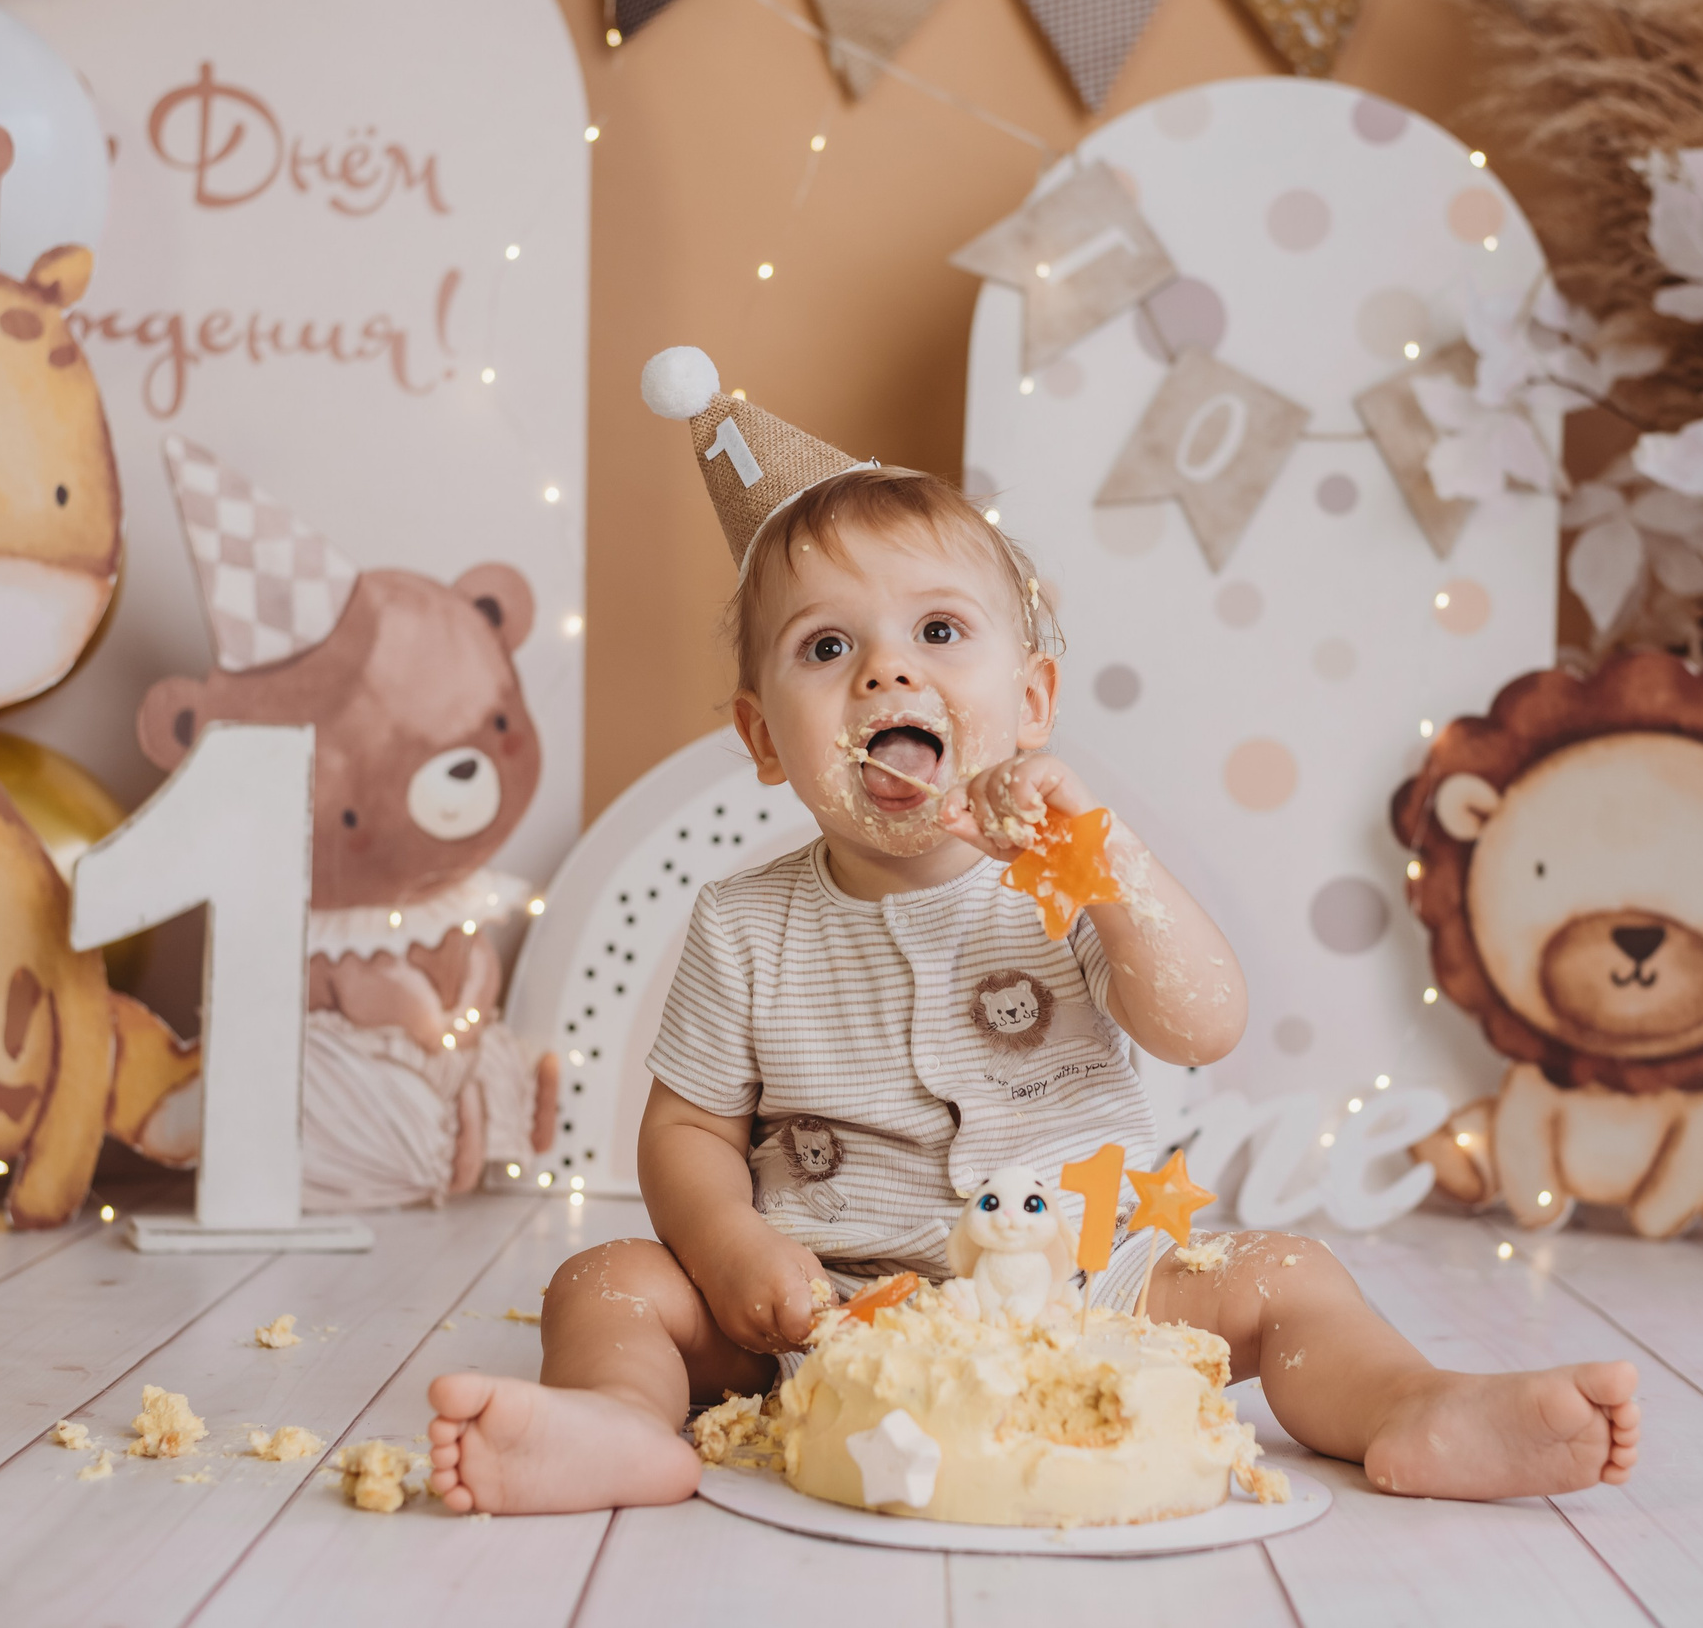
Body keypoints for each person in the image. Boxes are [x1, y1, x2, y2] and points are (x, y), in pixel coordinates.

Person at [424, 352, 1640, 1514]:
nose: (885, 675)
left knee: (1289, 1278)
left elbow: (1200, 1019)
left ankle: (1408, 1404)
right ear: (760, 736)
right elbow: (687, 1128)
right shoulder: (745, 921)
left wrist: (1110, 866)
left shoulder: (1061, 877)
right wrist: (732, 1242)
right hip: (834, 1305)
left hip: (1089, 1280)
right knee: (609, 1282)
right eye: (827, 646)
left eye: (938, 633)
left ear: (1031, 701)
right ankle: (618, 1424)